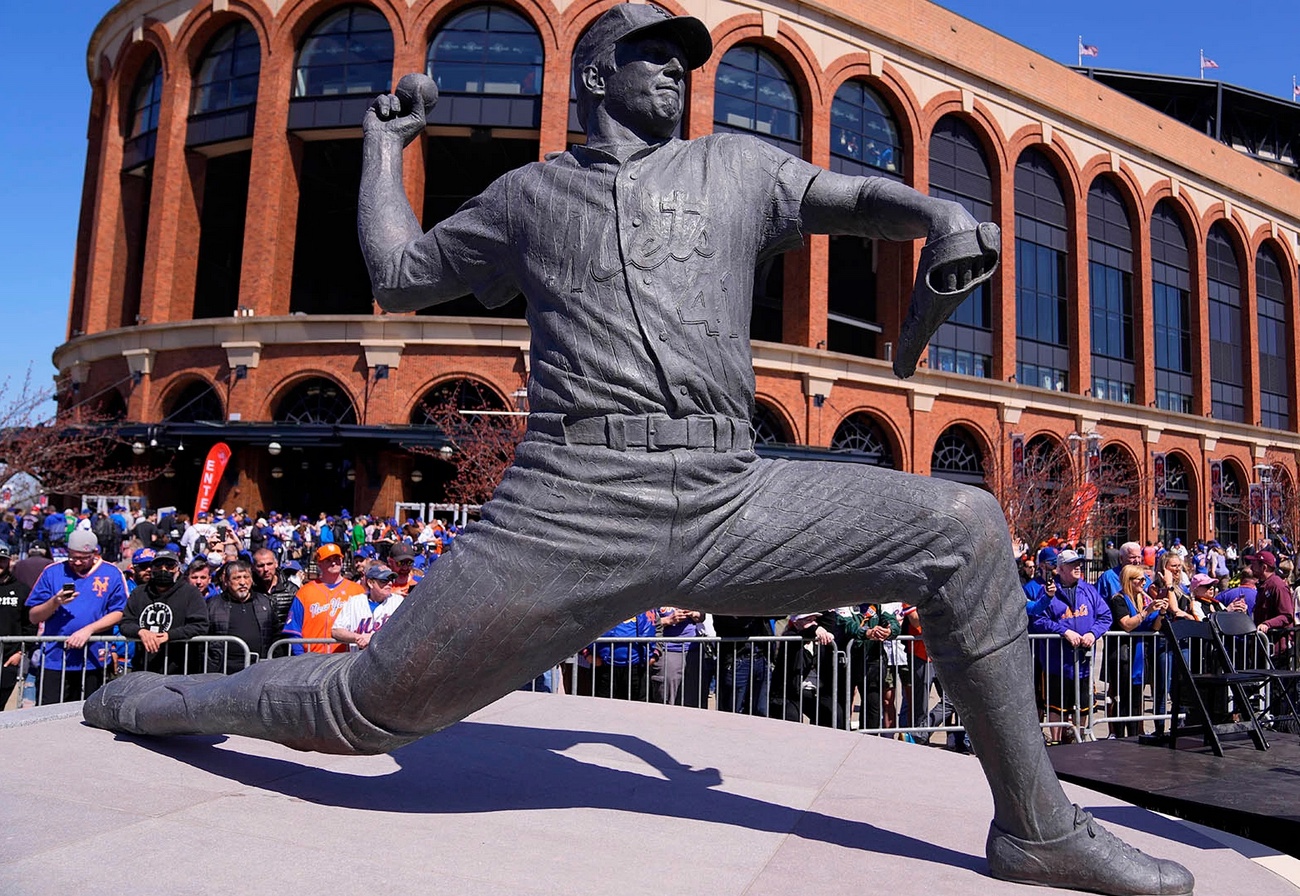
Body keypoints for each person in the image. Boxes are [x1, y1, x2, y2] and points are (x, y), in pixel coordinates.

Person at [84, 9, 1191, 893]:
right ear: (597, 79)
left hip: (724, 489)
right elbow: (400, 270)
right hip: (570, 501)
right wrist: (382, 146)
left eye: (680, 60)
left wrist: (937, 214)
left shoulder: (736, 168)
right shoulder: (527, 196)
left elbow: (842, 194)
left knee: (961, 523)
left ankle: (1037, 827)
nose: (672, 72)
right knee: (370, 711)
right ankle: (167, 702)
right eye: (648, 58)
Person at [26, 530, 129, 704]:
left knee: (87, 713)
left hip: (93, 657)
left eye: (84, 557)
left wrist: (88, 630)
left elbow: (120, 612)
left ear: (95, 553)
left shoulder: (112, 573)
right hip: (55, 658)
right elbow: (33, 617)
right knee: (48, 713)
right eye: (73, 557)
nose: (78, 562)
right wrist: (55, 602)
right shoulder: (52, 572)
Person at [1028, 549, 1111, 743]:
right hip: (1056, 662)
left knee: (1082, 704)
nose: (1078, 568)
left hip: (1082, 663)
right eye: (1073, 565)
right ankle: (1057, 742)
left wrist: (1092, 633)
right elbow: (1037, 620)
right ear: (1061, 568)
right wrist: (1063, 631)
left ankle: (1078, 739)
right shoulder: (1048, 591)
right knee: (1056, 706)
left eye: (1079, 564)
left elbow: (1105, 616)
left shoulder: (1088, 590)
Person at [118, 551, 209, 675]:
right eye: (158, 566)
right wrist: (140, 632)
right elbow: (126, 623)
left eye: (169, 566)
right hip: (144, 669)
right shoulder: (139, 593)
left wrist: (169, 636)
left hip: (180, 671)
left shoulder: (191, 593)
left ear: (178, 569)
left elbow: (200, 625)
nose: (163, 569)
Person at [1104, 564, 1164, 738]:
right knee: (1122, 697)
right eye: (1140, 579)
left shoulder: (1142, 599)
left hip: (1139, 654)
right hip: (1123, 654)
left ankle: (1133, 734)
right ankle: (1120, 735)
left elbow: (1154, 627)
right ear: (1129, 580)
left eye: (1145, 579)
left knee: (1136, 698)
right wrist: (1147, 612)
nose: (1143, 583)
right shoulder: (1119, 599)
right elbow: (1127, 625)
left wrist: (1160, 613)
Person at [281, 544, 365, 655]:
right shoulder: (305, 592)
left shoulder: (357, 590)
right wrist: (300, 657)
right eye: (328, 560)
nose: (334, 563)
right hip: (313, 659)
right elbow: (293, 629)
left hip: (346, 659)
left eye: (336, 558)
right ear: (319, 563)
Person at [205, 559, 277, 673]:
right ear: (227, 581)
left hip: (258, 669)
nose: (242, 582)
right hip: (223, 671)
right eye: (237, 578)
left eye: (246, 577)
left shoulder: (265, 602)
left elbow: (276, 633)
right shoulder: (213, 605)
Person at [333, 565, 405, 650]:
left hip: (388, 658)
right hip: (359, 658)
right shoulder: (354, 602)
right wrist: (357, 637)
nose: (389, 583)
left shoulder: (398, 602)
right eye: (384, 580)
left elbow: (404, 630)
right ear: (370, 583)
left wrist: (373, 638)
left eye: (391, 580)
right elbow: (336, 631)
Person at [0, 543, 35, 710]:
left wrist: (20, 652)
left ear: (9, 562)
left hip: (9, 659)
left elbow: (29, 624)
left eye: (2, 560)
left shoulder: (22, 590)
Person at [252, 548, 297, 634]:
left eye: (269, 564)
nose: (266, 569)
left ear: (276, 564)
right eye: (260, 565)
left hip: (283, 642)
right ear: (253, 567)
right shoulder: (250, 591)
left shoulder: (292, 590)